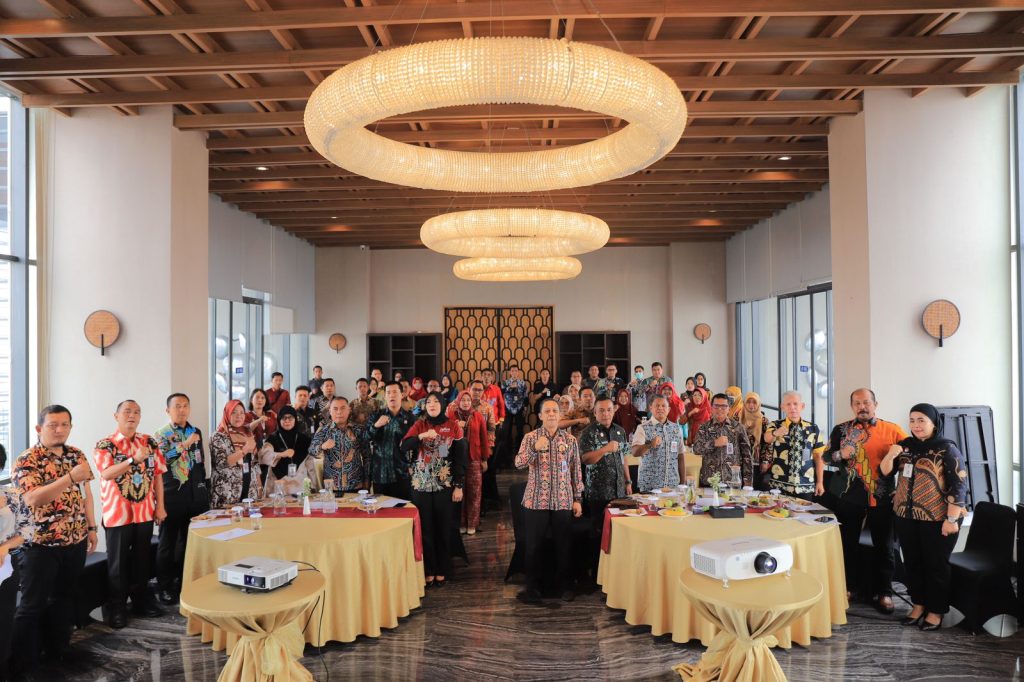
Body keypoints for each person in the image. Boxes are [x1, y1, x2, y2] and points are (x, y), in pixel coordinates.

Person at [11, 405, 98, 676]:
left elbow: (86, 494)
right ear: (39, 428)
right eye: (53, 425)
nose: (59, 430)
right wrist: (69, 477)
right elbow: (33, 498)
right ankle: (22, 665)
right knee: (32, 604)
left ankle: (58, 651)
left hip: (75, 539)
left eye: (64, 425)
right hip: (40, 544)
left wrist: (91, 527)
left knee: (64, 598)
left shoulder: (76, 454)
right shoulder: (28, 459)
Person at [881, 403, 967, 631]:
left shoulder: (946, 448)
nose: (916, 425)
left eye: (921, 420)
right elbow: (885, 472)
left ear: (934, 423)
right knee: (912, 563)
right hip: (906, 516)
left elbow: (959, 486)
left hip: (938, 519)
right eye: (912, 420)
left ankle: (936, 611)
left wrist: (951, 520)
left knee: (936, 566)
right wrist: (891, 454)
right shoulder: (905, 446)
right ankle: (918, 605)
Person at [829, 388, 908, 612]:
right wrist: (840, 455)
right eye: (857, 403)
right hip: (848, 496)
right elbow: (827, 456)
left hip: (882, 497)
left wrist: (902, 489)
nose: (862, 407)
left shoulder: (893, 429)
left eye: (866, 402)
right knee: (847, 544)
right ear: (852, 406)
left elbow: (909, 459)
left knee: (885, 546)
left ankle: (884, 592)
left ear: (875, 404)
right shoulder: (841, 429)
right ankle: (849, 587)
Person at [93, 400, 166, 628]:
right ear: (116, 416)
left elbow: (158, 475)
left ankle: (140, 602)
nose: (132, 415)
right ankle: (117, 608)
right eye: (127, 412)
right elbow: (106, 474)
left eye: (136, 412)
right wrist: (133, 459)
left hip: (144, 511)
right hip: (118, 514)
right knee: (118, 564)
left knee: (142, 561)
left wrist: (160, 506)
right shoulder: (106, 444)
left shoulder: (149, 442)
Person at [515, 398, 583, 604]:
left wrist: (577, 498)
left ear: (560, 415)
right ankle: (532, 587)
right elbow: (518, 463)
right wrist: (534, 448)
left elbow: (576, 471)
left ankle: (564, 586)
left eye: (555, 411)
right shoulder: (530, 437)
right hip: (536, 500)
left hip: (563, 499)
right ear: (541, 416)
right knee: (533, 546)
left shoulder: (570, 440)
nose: (552, 414)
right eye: (548, 411)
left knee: (564, 545)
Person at [401, 393, 467, 587]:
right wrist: (421, 436)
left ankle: (443, 569)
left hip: (444, 485)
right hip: (421, 485)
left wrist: (459, 485)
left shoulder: (452, 426)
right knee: (426, 529)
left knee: (443, 528)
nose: (432, 404)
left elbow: (460, 458)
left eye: (436, 401)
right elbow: (404, 445)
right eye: (428, 402)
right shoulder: (419, 424)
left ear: (443, 404)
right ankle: (429, 570)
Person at [153, 393, 209, 605]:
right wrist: (184, 444)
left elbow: (200, 462)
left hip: (195, 494)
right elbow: (162, 460)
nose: (182, 410)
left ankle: (183, 582)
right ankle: (164, 587)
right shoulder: (161, 434)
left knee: (189, 542)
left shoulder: (196, 431)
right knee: (167, 543)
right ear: (168, 410)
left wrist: (203, 489)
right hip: (171, 494)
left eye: (185, 406)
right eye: (177, 406)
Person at [579, 397, 631, 579]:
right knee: (597, 534)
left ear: (614, 410)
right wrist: (605, 449)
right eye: (601, 410)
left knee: (619, 534)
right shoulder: (588, 432)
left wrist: (628, 481)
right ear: (595, 413)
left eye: (609, 409)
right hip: (597, 492)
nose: (605, 413)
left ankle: (615, 574)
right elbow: (586, 459)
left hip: (619, 491)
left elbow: (624, 458)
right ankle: (596, 575)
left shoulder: (620, 431)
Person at [0, 445, 34, 682]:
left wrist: (4, 547)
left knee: (3, 621)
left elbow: (28, 531)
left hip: (5, 567)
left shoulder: (13, 495)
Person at [764, 391, 826, 500]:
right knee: (779, 510)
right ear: (782, 407)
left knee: (804, 511)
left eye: (795, 404)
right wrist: (775, 433)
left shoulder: (813, 428)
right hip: (779, 484)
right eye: (788, 404)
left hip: (805, 484)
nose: (792, 407)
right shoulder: (775, 425)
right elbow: (767, 438)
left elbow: (819, 457)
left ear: (802, 406)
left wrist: (820, 482)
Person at [367, 382, 416, 500]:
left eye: (395, 392)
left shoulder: (410, 418)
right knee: (381, 509)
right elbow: (365, 438)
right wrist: (376, 426)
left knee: (402, 508)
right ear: (384, 396)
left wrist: (413, 465)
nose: (391, 395)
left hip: (402, 474)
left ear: (402, 395)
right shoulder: (376, 416)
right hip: (380, 474)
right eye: (388, 392)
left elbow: (416, 445)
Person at [692, 393, 753, 487]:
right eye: (716, 406)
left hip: (732, 481)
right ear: (711, 408)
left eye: (724, 406)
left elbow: (747, 455)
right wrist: (714, 443)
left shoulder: (738, 428)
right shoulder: (704, 428)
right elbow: (696, 449)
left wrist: (748, 480)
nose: (720, 409)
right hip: (709, 482)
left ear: (729, 408)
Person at [210, 400, 262, 508]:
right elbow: (222, 463)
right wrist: (244, 450)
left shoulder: (247, 433)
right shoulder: (218, 436)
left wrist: (260, 487)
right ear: (227, 414)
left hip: (250, 492)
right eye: (234, 412)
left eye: (241, 412)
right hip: (227, 493)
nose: (239, 416)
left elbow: (255, 464)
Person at [451, 390, 490, 535]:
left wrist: (484, 459)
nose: (466, 403)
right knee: (459, 493)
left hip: (474, 459)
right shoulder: (452, 416)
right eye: (463, 400)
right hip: (457, 461)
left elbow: (484, 438)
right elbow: (444, 438)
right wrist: (456, 426)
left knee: (474, 493)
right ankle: (461, 523)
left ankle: (472, 523)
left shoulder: (477, 416)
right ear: (458, 401)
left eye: (468, 400)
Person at [630, 396, 685, 492]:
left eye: (663, 406)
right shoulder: (642, 428)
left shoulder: (676, 429)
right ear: (651, 408)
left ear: (669, 409)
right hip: (649, 487)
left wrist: (683, 483)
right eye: (657, 405)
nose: (660, 408)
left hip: (672, 486)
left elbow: (680, 456)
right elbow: (634, 452)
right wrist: (650, 444)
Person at [312, 397, 366, 493]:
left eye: (343, 408)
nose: (339, 412)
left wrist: (367, 481)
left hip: (356, 484)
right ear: (330, 411)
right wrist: (322, 446)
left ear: (349, 410)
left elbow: (367, 456)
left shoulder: (359, 430)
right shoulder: (323, 430)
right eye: (335, 409)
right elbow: (312, 450)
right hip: (331, 486)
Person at [263, 406, 316, 496]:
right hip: (278, 484)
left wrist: (313, 485)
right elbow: (264, 456)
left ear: (295, 419)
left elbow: (310, 465)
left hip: (300, 484)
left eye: (290, 417)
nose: (287, 420)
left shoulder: (304, 439)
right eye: (284, 418)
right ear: (279, 420)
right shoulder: (272, 438)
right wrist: (281, 454)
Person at [740, 392, 771, 490]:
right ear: (744, 403)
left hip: (756, 461)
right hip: (740, 459)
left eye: (754, 402)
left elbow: (768, 443)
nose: (751, 405)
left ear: (758, 404)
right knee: (739, 487)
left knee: (754, 488)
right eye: (748, 402)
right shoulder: (738, 418)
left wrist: (765, 461)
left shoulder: (764, 421)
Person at [500, 365, 529, 466]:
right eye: (512, 371)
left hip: (519, 408)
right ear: (510, 373)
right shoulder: (505, 382)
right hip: (507, 408)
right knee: (506, 431)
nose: (514, 372)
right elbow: (501, 393)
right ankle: (507, 456)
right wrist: (510, 387)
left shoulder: (522, 383)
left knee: (520, 430)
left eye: (516, 371)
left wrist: (525, 408)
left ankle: (520, 452)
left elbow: (526, 396)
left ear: (518, 372)